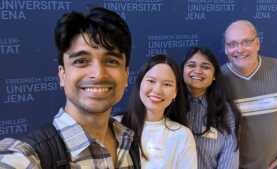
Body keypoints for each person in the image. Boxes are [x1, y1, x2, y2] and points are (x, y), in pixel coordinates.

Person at [0, 7, 137, 169]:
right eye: (81, 61)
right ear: (62, 74)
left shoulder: (129, 142)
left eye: (111, 61)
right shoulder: (28, 155)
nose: (99, 74)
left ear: (126, 74)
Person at [221, 19, 277, 169]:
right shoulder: (219, 80)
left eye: (246, 42)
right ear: (226, 49)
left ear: (257, 44)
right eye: (232, 44)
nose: (239, 49)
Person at [122, 54, 197, 169]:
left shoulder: (182, 135)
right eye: (151, 81)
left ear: (175, 92)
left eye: (167, 84)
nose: (157, 90)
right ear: (140, 83)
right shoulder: (116, 125)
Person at [181, 47, 240, 169]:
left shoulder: (224, 110)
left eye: (205, 67)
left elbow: (230, 154)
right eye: (191, 65)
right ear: (182, 71)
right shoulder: (168, 104)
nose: (197, 71)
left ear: (214, 76)